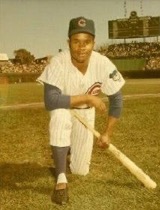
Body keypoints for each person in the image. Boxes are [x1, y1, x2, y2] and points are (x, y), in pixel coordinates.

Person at [37, 16, 125, 205]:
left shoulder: (102, 63)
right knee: (60, 118)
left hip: (86, 114)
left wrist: (107, 133)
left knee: (80, 170)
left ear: (94, 43)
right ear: (69, 42)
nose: (81, 47)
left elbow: (116, 98)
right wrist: (87, 97)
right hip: (64, 109)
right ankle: (61, 179)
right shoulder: (59, 62)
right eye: (76, 41)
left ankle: (66, 151)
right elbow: (51, 101)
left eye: (87, 42)